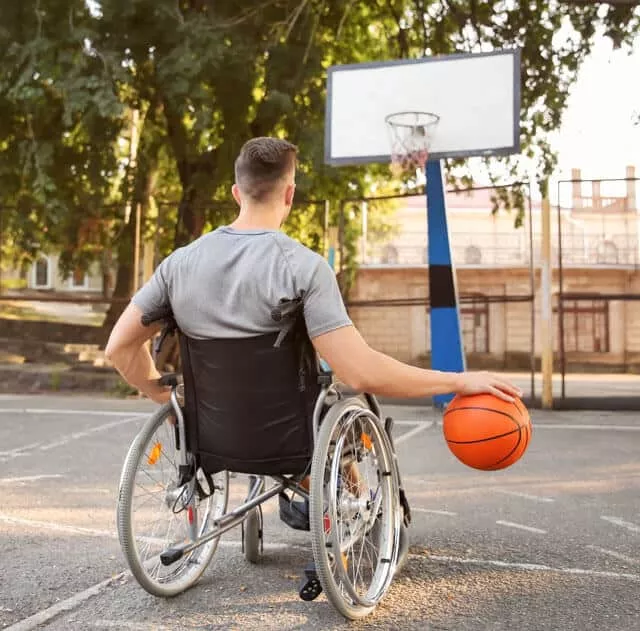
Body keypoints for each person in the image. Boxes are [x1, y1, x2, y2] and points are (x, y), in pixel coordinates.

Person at [105, 136, 521, 594]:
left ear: (235, 192)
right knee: (350, 397)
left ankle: (311, 488)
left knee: (325, 400)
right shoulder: (302, 268)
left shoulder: (178, 266)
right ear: (290, 193)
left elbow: (119, 349)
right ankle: (356, 497)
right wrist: (460, 380)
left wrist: (173, 402)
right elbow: (362, 370)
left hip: (211, 439)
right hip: (294, 441)